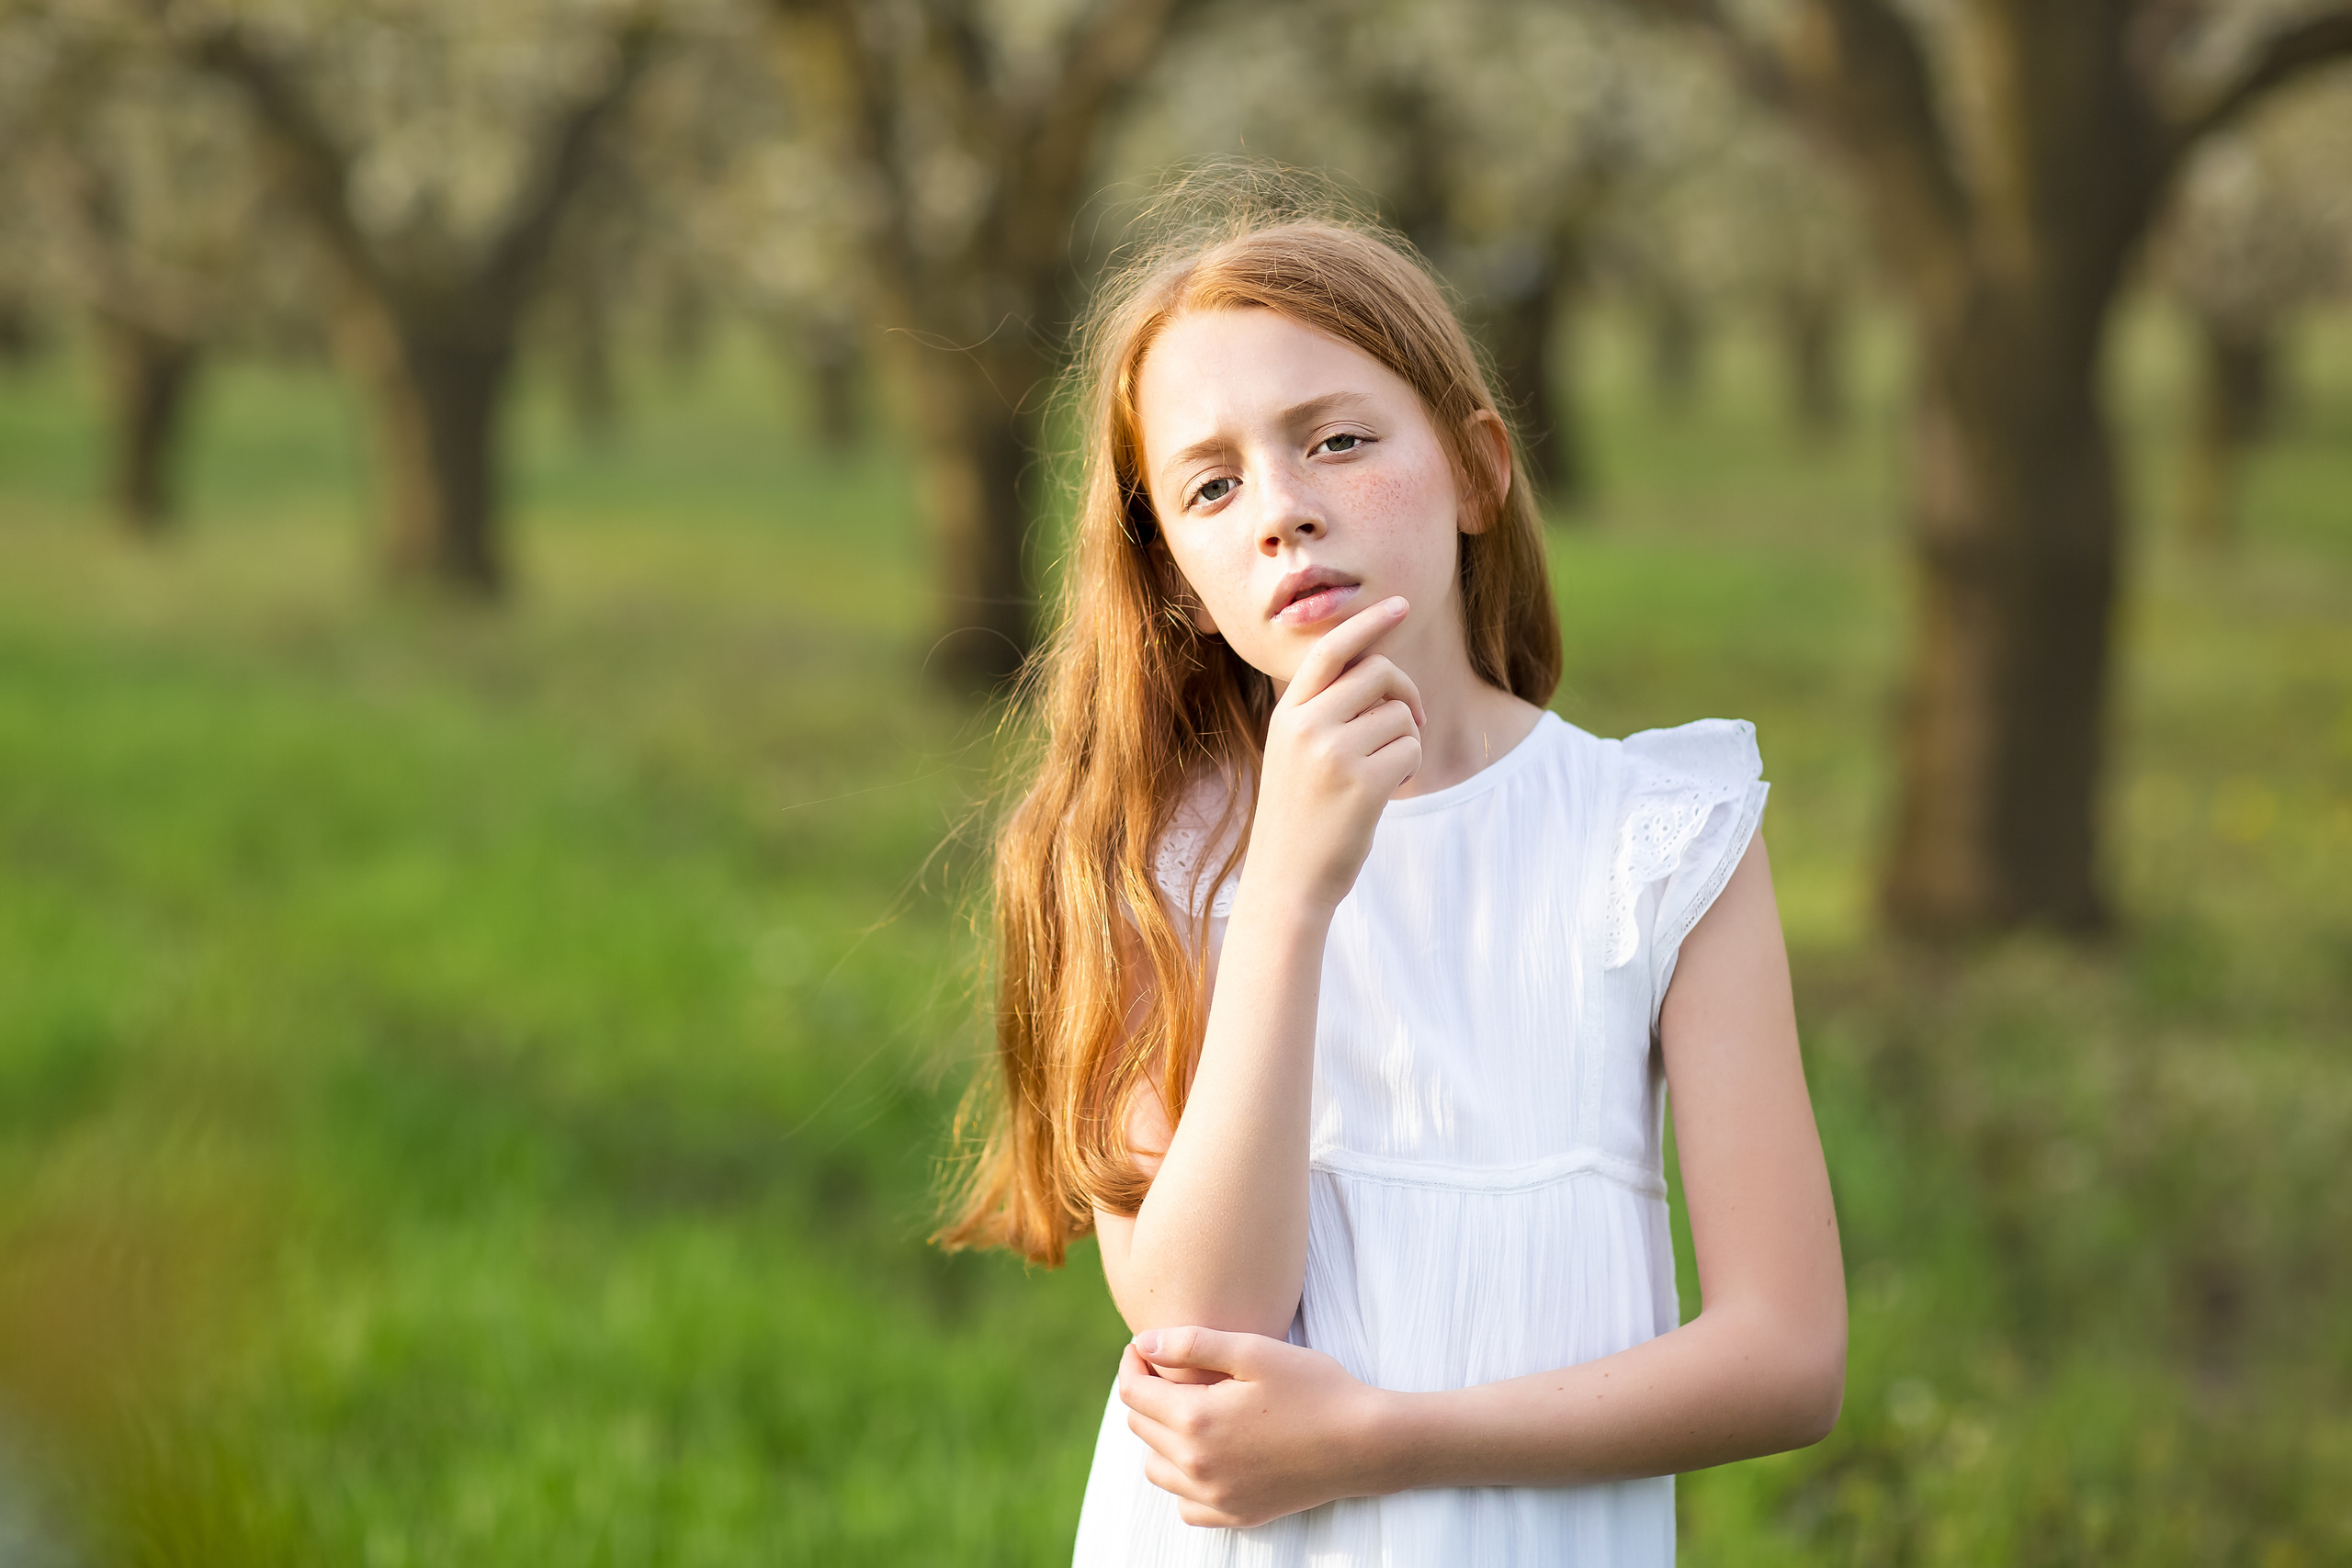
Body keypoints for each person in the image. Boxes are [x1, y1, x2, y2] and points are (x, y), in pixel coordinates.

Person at [938, 186, 1847, 1564]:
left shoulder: (1661, 839)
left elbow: (1787, 1356)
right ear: (1176, 570)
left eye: (1339, 441)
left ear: (1478, 471)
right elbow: (1200, 1316)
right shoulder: (1142, 857)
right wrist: (1291, 891)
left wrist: (1383, 1436)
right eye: (1212, 484)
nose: (1283, 514)